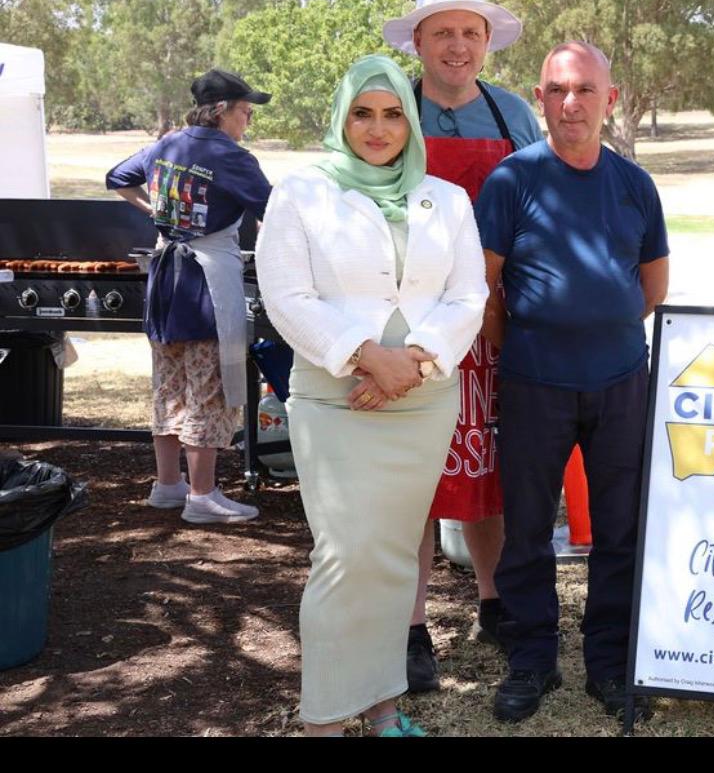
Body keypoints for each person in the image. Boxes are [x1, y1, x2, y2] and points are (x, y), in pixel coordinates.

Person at [255, 54, 487, 736]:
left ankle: (383, 707)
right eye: (362, 113)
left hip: (421, 399)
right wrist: (367, 357)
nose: (377, 128)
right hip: (336, 397)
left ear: (410, 122)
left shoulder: (447, 199)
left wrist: (412, 362)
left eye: (392, 115)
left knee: (392, 555)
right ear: (341, 118)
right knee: (344, 555)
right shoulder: (300, 193)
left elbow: (468, 294)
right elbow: (287, 296)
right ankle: (325, 720)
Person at [476, 42, 668, 723]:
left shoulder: (635, 186)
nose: (571, 102)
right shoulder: (511, 181)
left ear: (609, 99)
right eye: (557, 90)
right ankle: (532, 658)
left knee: (619, 527)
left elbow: (652, 289)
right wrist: (538, 342)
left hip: (621, 382)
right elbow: (485, 290)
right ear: (541, 99)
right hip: (534, 383)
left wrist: (597, 329)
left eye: (585, 89)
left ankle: (610, 663)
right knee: (527, 528)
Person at [382, 0, 541, 691]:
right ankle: (411, 625)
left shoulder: (514, 115)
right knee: (414, 473)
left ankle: (495, 602)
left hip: (496, 321)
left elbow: (540, 210)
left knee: (490, 467)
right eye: (442, 31)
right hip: (410, 323)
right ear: (418, 41)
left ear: (487, 42)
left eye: (470, 32)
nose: (457, 45)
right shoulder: (392, 109)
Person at [106, 69, 272, 525]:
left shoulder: (167, 145)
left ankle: (168, 485)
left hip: (165, 279)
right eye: (245, 111)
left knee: (169, 385)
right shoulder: (232, 157)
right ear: (221, 111)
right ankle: (202, 496)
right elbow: (273, 210)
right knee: (208, 387)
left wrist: (154, 211)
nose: (248, 120)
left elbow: (117, 177)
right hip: (205, 284)